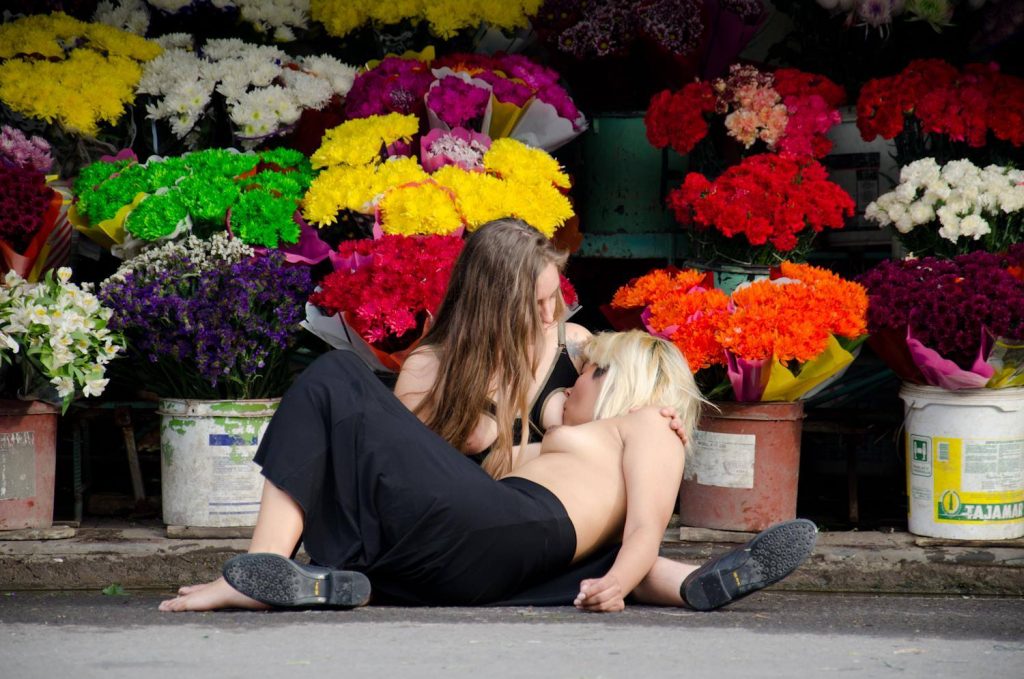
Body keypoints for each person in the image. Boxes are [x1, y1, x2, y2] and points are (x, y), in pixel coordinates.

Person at [159, 331, 817, 613]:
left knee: (333, 376)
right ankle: (700, 584)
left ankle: (257, 570)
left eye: (589, 370)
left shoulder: (648, 426)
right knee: (585, 560)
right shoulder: (570, 448)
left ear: (620, 381)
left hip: (510, 530)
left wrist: (617, 582)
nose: (576, 376)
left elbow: (647, 523)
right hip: (496, 555)